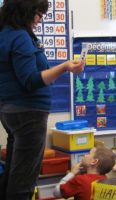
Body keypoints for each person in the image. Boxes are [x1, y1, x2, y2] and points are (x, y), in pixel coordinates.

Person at [0, 0, 85, 199]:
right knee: (24, 180)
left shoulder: (5, 34)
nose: (39, 19)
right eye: (38, 13)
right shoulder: (20, 37)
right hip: (28, 113)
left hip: (11, 111)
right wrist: (65, 67)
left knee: (14, 172)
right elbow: (30, 80)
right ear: (26, 11)